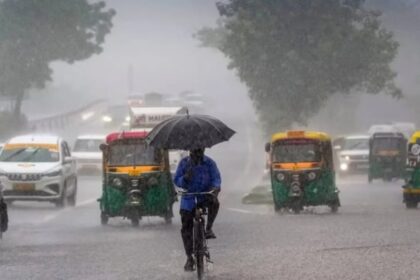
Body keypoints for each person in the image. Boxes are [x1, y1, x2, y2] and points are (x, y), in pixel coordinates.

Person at [174, 148, 221, 272]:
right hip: (189, 197)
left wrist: (216, 188)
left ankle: (209, 228)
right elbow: (177, 180)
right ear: (190, 152)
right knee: (186, 227)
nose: (197, 154)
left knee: (215, 203)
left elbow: (216, 178)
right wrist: (185, 178)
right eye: (194, 152)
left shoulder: (210, 163)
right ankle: (189, 257)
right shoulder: (184, 163)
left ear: (203, 150)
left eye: (199, 151)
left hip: (205, 195)